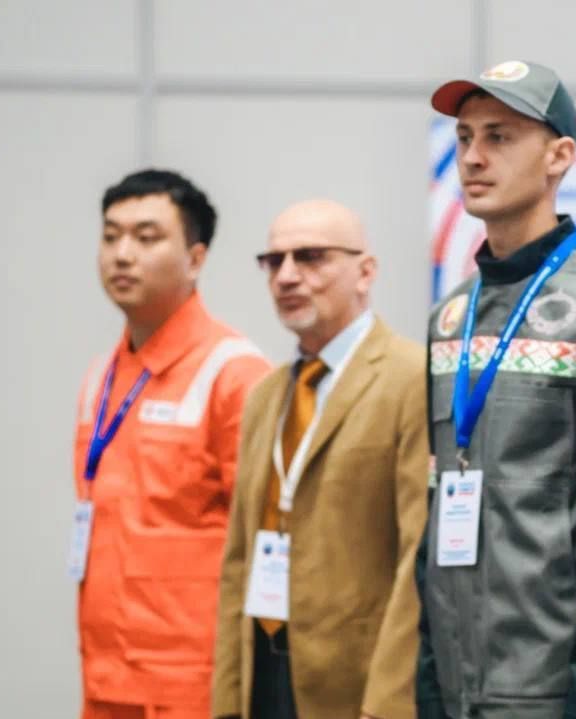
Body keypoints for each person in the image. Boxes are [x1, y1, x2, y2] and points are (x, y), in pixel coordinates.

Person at [416, 60, 576, 719]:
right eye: (464, 137)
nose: (473, 156)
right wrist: (429, 676)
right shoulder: (448, 317)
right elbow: (433, 507)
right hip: (452, 685)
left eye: (498, 136)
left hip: (549, 687)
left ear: (559, 156)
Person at [212, 199, 428, 719]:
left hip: (356, 682)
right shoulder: (265, 395)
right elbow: (239, 558)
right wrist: (229, 697)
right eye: (274, 261)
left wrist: (388, 703)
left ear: (365, 272)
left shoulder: (410, 379)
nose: (287, 276)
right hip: (264, 672)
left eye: (311, 257)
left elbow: (416, 559)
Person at [70, 169, 271, 719]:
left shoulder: (234, 373)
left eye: (146, 237)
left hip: (195, 686)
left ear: (195, 258)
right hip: (105, 678)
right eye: (111, 236)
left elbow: (267, 538)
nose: (122, 254)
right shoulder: (100, 378)